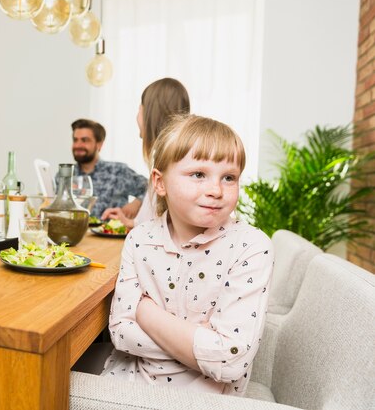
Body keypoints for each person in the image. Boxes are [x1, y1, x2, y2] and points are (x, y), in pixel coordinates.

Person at [102, 114, 273, 396]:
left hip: (207, 400)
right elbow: (121, 333)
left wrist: (145, 313)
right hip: (131, 385)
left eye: (229, 178)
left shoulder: (251, 246)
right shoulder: (140, 239)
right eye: (198, 175)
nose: (216, 190)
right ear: (160, 182)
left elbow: (230, 361)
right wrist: (200, 340)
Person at [102, 77, 190, 228]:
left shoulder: (169, 165)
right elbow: (154, 223)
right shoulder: (170, 157)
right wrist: (127, 222)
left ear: (150, 114)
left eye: (139, 109)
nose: (137, 117)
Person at [70, 118, 147, 217]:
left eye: (85, 140)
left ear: (99, 144)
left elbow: (152, 188)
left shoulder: (119, 171)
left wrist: (137, 203)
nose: (78, 145)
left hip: (110, 231)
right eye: (75, 140)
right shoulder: (64, 176)